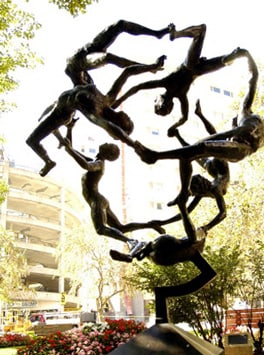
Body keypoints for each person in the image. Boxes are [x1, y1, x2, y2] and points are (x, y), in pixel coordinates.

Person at [26, 55, 166, 177]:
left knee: (32, 140)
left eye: (128, 122)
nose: (128, 117)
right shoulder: (108, 99)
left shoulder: (96, 114)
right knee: (71, 67)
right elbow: (127, 72)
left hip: (61, 113)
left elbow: (110, 128)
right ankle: (57, 141)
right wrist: (151, 67)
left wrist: (133, 145)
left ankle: (48, 162)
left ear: (120, 126)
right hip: (64, 100)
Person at [133, 49, 264, 167]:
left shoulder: (245, 115)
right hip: (243, 150)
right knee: (199, 149)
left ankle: (155, 155)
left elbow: (253, 78)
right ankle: (156, 156)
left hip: (241, 149)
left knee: (201, 147)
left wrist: (247, 55)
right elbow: (253, 78)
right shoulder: (250, 122)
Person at [113, 24, 252, 137]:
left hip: (198, 70)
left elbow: (184, 118)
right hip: (191, 65)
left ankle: (232, 57)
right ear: (160, 102)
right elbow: (137, 87)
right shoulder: (165, 84)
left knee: (226, 60)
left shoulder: (181, 95)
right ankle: (177, 34)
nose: (156, 99)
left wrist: (174, 127)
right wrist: (119, 101)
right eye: (156, 102)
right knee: (201, 31)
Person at [59, 133, 165, 245]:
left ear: (107, 153)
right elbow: (70, 149)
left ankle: (131, 242)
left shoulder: (99, 163)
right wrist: (69, 129)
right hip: (99, 200)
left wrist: (70, 149)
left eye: (108, 145)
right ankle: (151, 225)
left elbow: (85, 165)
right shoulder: (95, 160)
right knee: (121, 228)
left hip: (96, 200)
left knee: (101, 229)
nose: (105, 143)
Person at [151, 99, 230, 234]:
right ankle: (197, 116)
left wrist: (206, 228)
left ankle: (197, 116)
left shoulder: (214, 188)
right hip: (217, 168)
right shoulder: (210, 190)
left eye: (201, 179)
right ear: (201, 189)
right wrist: (162, 222)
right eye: (202, 181)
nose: (204, 179)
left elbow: (223, 213)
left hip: (216, 167)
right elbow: (186, 211)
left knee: (211, 142)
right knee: (209, 143)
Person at [65, 20, 174, 86]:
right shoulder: (79, 74)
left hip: (90, 47)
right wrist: (148, 67)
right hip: (84, 60)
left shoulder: (73, 76)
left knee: (120, 24)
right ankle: (150, 68)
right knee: (108, 58)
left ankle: (157, 33)